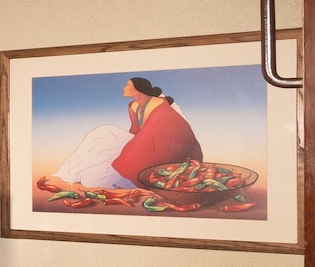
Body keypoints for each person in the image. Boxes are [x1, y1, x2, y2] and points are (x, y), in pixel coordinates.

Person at [45, 76, 203, 191]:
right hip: (146, 142)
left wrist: (124, 157)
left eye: (128, 85)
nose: (124, 88)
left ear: (138, 90)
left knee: (112, 166)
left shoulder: (158, 106)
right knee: (104, 133)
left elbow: (150, 136)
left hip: (171, 151)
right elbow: (135, 131)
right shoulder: (133, 105)